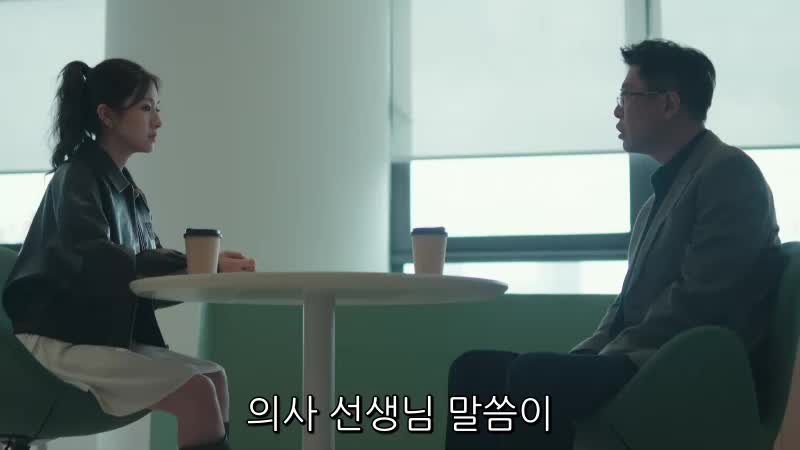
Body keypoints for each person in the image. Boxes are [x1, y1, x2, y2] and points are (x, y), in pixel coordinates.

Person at [445, 39, 785, 449]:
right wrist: (586, 353)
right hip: (640, 355)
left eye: (626, 96)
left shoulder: (729, 173)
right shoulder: (659, 198)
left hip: (685, 366)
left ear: (668, 103)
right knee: (476, 370)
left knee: (533, 376)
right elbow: (624, 307)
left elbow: (699, 301)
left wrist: (606, 356)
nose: (617, 111)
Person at [2, 58, 256, 450]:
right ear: (107, 115)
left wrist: (208, 269)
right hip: (58, 338)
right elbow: (100, 259)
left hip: (92, 335)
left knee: (214, 377)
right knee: (196, 392)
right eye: (146, 108)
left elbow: (142, 274)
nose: (158, 121)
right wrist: (195, 264)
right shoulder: (76, 177)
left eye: (157, 108)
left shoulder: (129, 192)